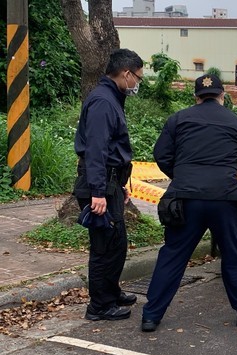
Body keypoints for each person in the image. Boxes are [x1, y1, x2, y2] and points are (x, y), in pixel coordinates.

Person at [141, 74, 237, 332]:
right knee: (234, 255)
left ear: (196, 97)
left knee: (173, 256)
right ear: (223, 97)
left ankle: (150, 316)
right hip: (226, 200)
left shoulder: (178, 119)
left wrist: (183, 177)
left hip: (185, 200)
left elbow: (161, 155)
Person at [72, 48, 144, 321]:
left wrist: (118, 184)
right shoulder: (103, 102)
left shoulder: (110, 97)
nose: (137, 83)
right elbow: (97, 150)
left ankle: (111, 292)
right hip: (98, 186)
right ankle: (99, 306)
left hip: (110, 183)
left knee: (116, 243)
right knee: (104, 246)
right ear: (126, 74)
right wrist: (98, 192)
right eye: (137, 77)